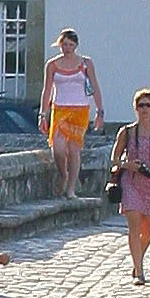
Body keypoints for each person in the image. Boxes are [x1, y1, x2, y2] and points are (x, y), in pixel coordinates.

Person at [114, 87, 150, 284]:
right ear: (135, 108)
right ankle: (139, 271)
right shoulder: (127, 132)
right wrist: (127, 164)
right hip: (130, 181)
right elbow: (114, 159)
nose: (144, 109)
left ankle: (138, 259)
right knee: (134, 225)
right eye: (140, 105)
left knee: (148, 229)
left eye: (148, 105)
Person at [42, 26, 102, 202]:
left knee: (74, 150)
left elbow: (95, 87)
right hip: (59, 108)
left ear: (75, 45)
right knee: (58, 148)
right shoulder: (52, 64)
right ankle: (63, 174)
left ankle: (71, 189)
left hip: (80, 109)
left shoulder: (86, 63)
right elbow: (47, 90)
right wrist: (42, 114)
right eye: (63, 44)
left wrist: (100, 111)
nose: (66, 48)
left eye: (69, 44)